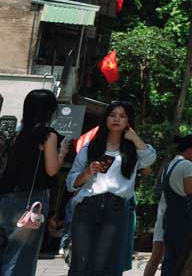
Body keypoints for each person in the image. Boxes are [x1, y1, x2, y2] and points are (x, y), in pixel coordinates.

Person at [66, 101, 156, 276]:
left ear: (128, 121)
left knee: (104, 264)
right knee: (80, 264)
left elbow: (150, 159)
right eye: (112, 115)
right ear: (106, 119)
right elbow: (71, 182)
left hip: (116, 209)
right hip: (87, 206)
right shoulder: (90, 147)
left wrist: (134, 137)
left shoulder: (133, 151)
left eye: (122, 116)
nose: (117, 119)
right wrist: (87, 173)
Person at [0, 89, 70, 275]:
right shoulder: (48, 135)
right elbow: (52, 169)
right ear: (50, 110)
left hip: (6, 198)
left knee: (6, 250)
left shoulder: (16, 134)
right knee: (21, 254)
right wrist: (62, 151)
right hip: (32, 200)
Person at [157, 133, 192, 276]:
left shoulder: (169, 165)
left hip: (169, 218)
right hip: (182, 219)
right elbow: (189, 189)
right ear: (191, 150)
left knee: (169, 259)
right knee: (183, 258)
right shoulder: (186, 164)